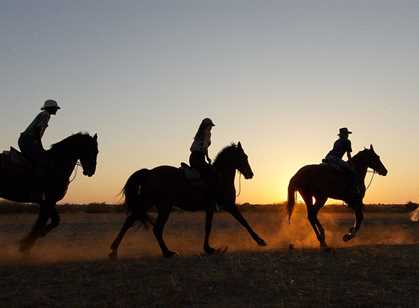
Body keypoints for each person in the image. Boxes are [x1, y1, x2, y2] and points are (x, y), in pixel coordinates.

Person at [18, 99, 60, 169]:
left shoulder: (44, 114)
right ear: (51, 108)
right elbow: (37, 130)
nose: (56, 110)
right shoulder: (46, 115)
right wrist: (39, 144)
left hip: (26, 140)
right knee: (40, 161)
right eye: (55, 108)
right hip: (27, 141)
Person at [324, 127, 360, 198]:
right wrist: (352, 165)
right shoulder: (347, 141)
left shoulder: (337, 141)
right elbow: (348, 155)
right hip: (336, 159)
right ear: (344, 134)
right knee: (353, 172)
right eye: (346, 134)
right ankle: (354, 190)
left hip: (328, 157)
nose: (347, 135)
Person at [189, 118, 215, 186]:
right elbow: (205, 147)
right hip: (199, 158)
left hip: (192, 157)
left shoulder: (199, 134)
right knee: (211, 172)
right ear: (206, 125)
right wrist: (208, 157)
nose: (211, 127)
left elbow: (193, 148)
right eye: (210, 125)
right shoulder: (207, 133)